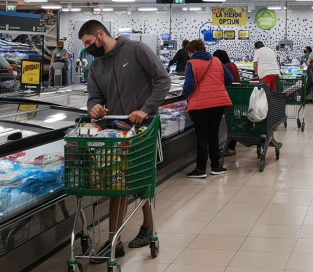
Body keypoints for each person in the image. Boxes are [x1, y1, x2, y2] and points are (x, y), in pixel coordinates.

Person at [79, 20, 171, 254]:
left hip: (144, 128)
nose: (88, 48)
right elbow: (94, 96)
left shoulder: (137, 50)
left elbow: (163, 80)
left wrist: (146, 108)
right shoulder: (97, 66)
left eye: (89, 42)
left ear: (101, 35)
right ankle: (114, 241)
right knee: (116, 184)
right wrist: (95, 108)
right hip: (116, 131)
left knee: (143, 181)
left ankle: (147, 227)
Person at [182, 40, 233, 178]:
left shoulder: (191, 63)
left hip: (200, 105)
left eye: (189, 52)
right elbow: (229, 79)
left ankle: (200, 169)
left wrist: (184, 96)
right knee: (213, 135)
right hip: (218, 103)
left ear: (193, 51)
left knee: (202, 136)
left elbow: (189, 85)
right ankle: (216, 166)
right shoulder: (216, 60)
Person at [213, 49, 240, 157]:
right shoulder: (231, 64)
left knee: (232, 122)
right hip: (234, 96)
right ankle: (229, 146)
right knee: (233, 121)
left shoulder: (226, 67)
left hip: (230, 96)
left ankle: (231, 147)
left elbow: (224, 80)